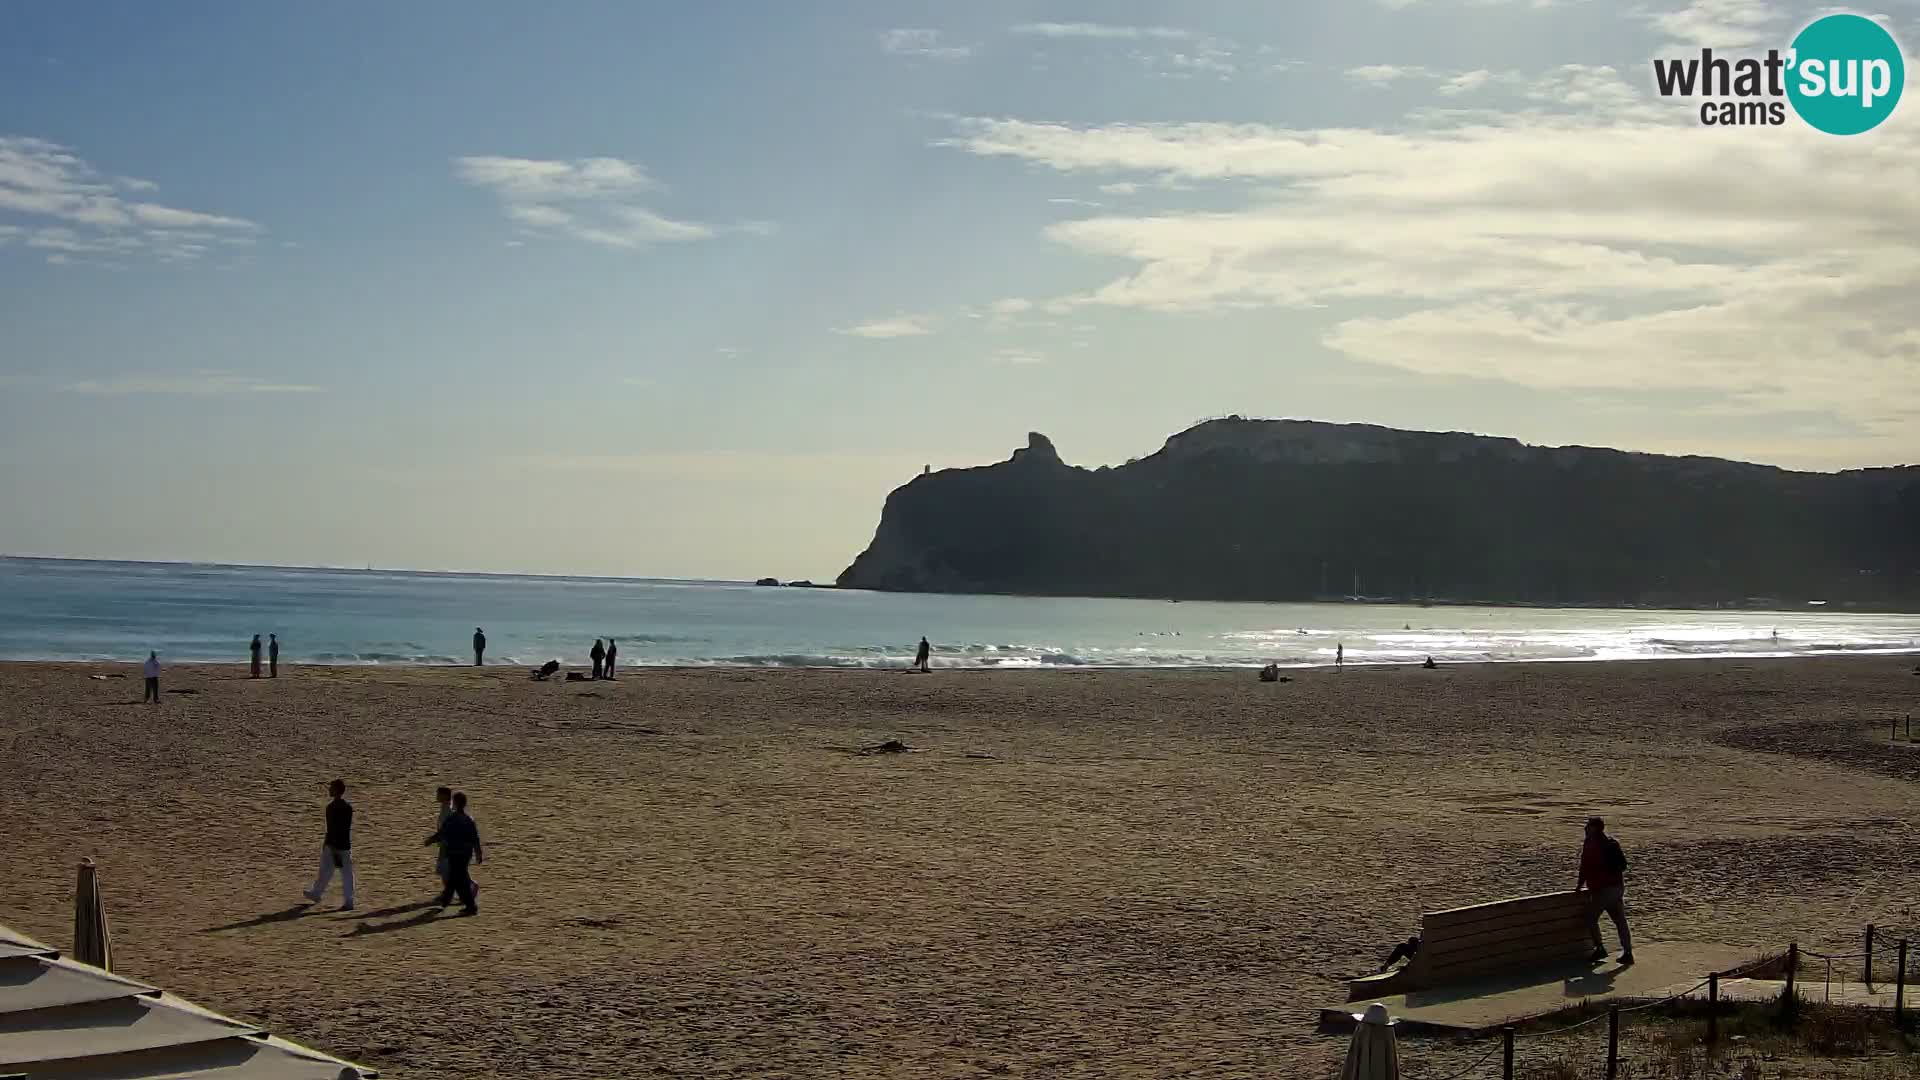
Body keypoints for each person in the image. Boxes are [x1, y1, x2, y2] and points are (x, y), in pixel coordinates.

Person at [1576, 817, 1633, 965]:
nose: (1585, 828)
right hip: (1617, 888)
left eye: (1588, 826)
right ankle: (1627, 952)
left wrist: (1579, 886)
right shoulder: (1611, 843)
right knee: (1620, 921)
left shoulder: (1591, 844)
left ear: (1594, 828)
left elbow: (1585, 867)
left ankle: (1600, 947)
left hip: (1602, 890)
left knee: (1590, 918)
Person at [424, 790, 483, 915]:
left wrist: (430, 840)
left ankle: (470, 906)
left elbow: (442, 833)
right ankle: (446, 903)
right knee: (454, 879)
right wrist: (478, 853)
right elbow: (475, 838)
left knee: (458, 880)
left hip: (455, 853)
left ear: (455, 803)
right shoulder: (468, 819)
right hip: (465, 853)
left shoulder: (453, 818)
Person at [302, 779, 355, 910]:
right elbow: (345, 827)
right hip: (344, 843)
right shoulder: (348, 807)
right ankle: (348, 900)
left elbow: (331, 828)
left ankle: (316, 893)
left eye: (331, 788)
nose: (329, 790)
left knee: (326, 870)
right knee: (346, 873)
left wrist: (329, 843)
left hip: (333, 844)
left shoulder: (331, 807)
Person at [431, 786, 453, 891]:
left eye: (438, 794)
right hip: (445, 843)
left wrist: (432, 839)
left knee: (446, 869)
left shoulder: (448, 810)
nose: (436, 796)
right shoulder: (445, 808)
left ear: (444, 796)